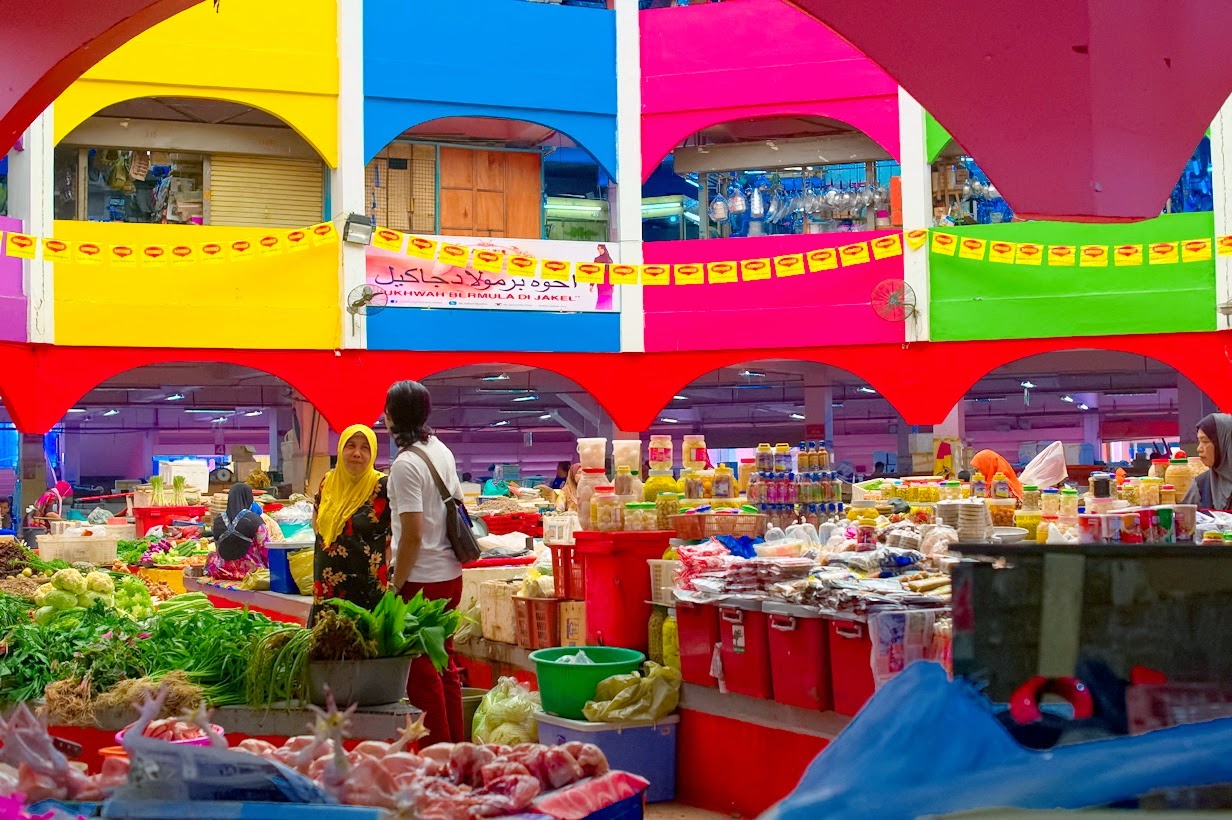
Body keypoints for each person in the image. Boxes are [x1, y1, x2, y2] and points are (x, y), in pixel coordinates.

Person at [385, 379, 465, 745]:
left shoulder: (405, 465)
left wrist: (395, 584)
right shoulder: (442, 451)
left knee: (421, 672)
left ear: (391, 418)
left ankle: (437, 757)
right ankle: (456, 748)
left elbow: (413, 534)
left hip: (421, 580)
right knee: (445, 666)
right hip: (451, 574)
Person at [313, 424, 391, 609]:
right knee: (327, 634)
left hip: (365, 587)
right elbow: (316, 518)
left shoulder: (382, 486)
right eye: (351, 446)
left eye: (365, 448)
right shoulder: (328, 482)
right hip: (327, 582)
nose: (357, 453)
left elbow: (398, 532)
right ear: (340, 449)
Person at [206, 484, 268, 581]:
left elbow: (218, 548)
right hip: (250, 573)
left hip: (222, 572)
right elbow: (265, 548)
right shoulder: (254, 520)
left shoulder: (218, 520)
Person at [1183, 413, 1232, 510]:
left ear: (1223, 443)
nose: (1199, 449)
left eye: (1205, 441)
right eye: (1199, 441)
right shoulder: (1201, 485)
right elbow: (1183, 520)